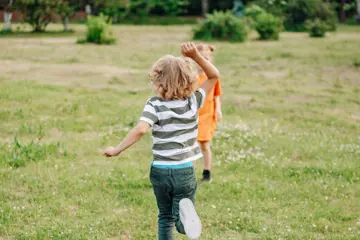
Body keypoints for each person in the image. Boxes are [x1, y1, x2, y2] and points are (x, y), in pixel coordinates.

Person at [103, 42, 220, 240]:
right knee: (181, 216)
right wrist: (196, 57)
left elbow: (141, 129)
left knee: (165, 217)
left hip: (160, 171)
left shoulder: (154, 104)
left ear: (158, 81)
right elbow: (214, 76)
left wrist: (117, 150)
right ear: (190, 80)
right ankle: (185, 222)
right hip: (184, 170)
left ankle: (181, 222)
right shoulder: (193, 101)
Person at [196, 43, 223, 182]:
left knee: (204, 144)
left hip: (208, 114)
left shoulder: (212, 76)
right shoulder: (192, 76)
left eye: (207, 59)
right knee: (191, 145)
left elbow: (216, 95)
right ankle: (189, 173)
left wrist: (218, 109)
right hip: (194, 115)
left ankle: (207, 172)